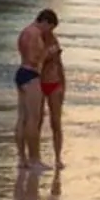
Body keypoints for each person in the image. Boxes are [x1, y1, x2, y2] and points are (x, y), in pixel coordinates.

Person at [14, 9, 59, 167]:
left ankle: (22, 159)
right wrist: (48, 54)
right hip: (31, 75)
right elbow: (33, 59)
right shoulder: (35, 34)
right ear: (45, 22)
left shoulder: (24, 32)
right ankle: (34, 159)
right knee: (34, 118)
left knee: (22, 118)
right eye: (51, 28)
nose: (49, 32)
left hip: (21, 72)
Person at [39, 24, 67, 167]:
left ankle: (58, 157)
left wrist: (63, 85)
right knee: (37, 120)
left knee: (56, 121)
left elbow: (59, 63)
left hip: (55, 81)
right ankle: (35, 156)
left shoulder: (54, 40)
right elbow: (34, 63)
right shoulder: (36, 39)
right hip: (39, 82)